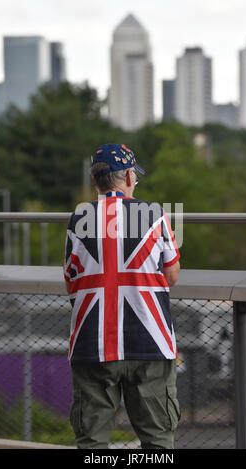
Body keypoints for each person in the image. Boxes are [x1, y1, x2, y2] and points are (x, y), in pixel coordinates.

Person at [63, 143, 181, 449]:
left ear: (95, 180)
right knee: (158, 440)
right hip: (150, 342)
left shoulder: (78, 218)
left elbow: (71, 279)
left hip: (92, 343)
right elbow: (171, 274)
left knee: (91, 442)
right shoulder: (155, 214)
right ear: (129, 176)